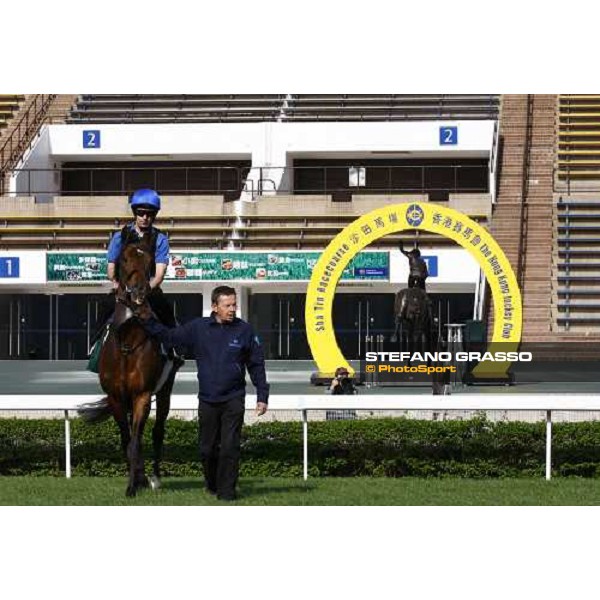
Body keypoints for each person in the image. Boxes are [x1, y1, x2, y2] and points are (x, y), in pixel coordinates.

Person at [141, 285, 269, 501]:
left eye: (234, 305)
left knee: (230, 447)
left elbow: (256, 365)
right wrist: (146, 320)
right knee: (207, 449)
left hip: (233, 398)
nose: (232, 309)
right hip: (208, 399)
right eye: (227, 305)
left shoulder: (245, 330)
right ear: (214, 307)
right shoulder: (198, 328)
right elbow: (169, 337)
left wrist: (262, 396)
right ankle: (212, 484)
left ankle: (227, 493)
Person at [91, 189, 179, 353]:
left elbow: (159, 275)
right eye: (141, 213)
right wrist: (120, 287)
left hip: (149, 290)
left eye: (150, 213)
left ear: (155, 215)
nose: (145, 217)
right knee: (104, 310)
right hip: (123, 290)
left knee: (167, 314)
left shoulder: (161, 239)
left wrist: (144, 292)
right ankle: (95, 346)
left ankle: (173, 350)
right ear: (135, 212)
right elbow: (111, 271)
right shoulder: (119, 237)